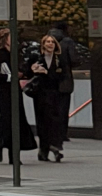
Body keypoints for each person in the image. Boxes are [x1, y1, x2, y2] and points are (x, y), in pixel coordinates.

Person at [0, 36, 35, 164]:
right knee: (8, 118)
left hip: (15, 90)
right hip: (3, 90)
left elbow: (22, 71)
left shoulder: (16, 54)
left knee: (17, 121)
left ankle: (12, 153)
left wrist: (29, 71)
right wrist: (11, 76)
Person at [27, 32, 73, 162]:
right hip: (40, 94)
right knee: (42, 122)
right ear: (43, 44)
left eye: (52, 42)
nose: (50, 44)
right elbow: (26, 72)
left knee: (55, 120)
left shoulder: (60, 59)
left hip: (54, 93)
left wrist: (47, 72)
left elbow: (62, 76)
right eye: (47, 42)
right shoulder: (37, 57)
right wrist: (33, 69)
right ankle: (43, 150)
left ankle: (55, 145)